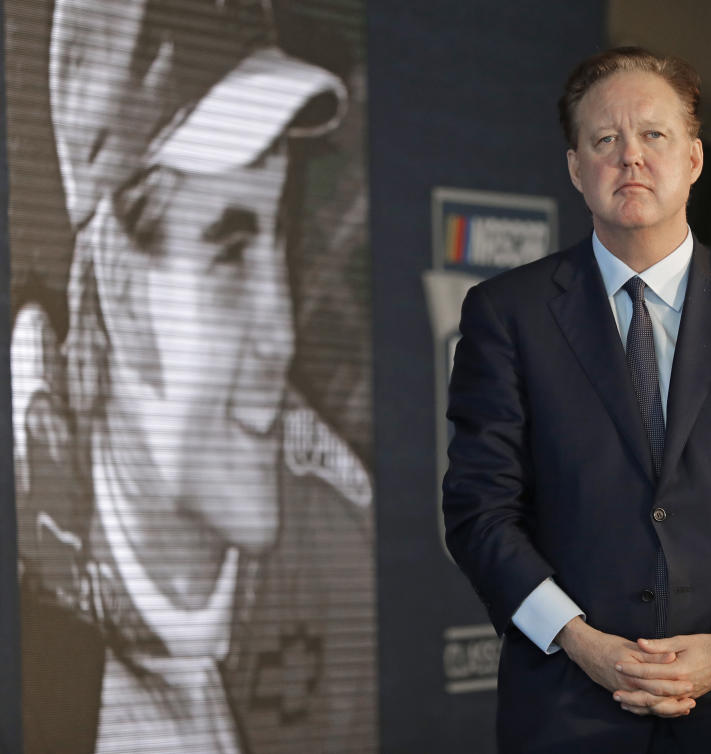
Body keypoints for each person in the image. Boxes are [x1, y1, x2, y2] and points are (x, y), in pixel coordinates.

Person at [442, 46, 711, 753]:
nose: (630, 157)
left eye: (654, 135)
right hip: (571, 709)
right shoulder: (507, 314)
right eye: (605, 140)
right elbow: (480, 511)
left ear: (694, 157)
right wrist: (581, 643)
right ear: (576, 168)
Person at [12, 1, 374, 752]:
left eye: (276, 238)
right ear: (115, 281)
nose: (281, 334)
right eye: (227, 251)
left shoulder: (343, 553)